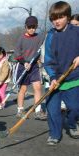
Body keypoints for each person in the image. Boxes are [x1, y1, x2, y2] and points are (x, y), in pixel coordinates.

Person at [44, 1, 79, 145]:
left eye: (60, 17)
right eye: (53, 18)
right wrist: (52, 77)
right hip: (55, 79)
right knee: (52, 109)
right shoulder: (51, 36)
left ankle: (71, 124)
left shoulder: (76, 31)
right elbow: (48, 59)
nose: (56, 21)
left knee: (75, 108)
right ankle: (54, 133)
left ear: (68, 17)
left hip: (73, 78)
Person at [14, 16, 47, 120]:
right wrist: (24, 62)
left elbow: (46, 42)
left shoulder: (40, 37)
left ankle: (38, 111)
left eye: (34, 27)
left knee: (37, 88)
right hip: (23, 66)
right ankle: (20, 110)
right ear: (25, 27)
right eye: (29, 27)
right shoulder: (21, 39)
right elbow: (17, 54)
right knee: (23, 89)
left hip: (34, 67)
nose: (32, 29)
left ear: (36, 26)